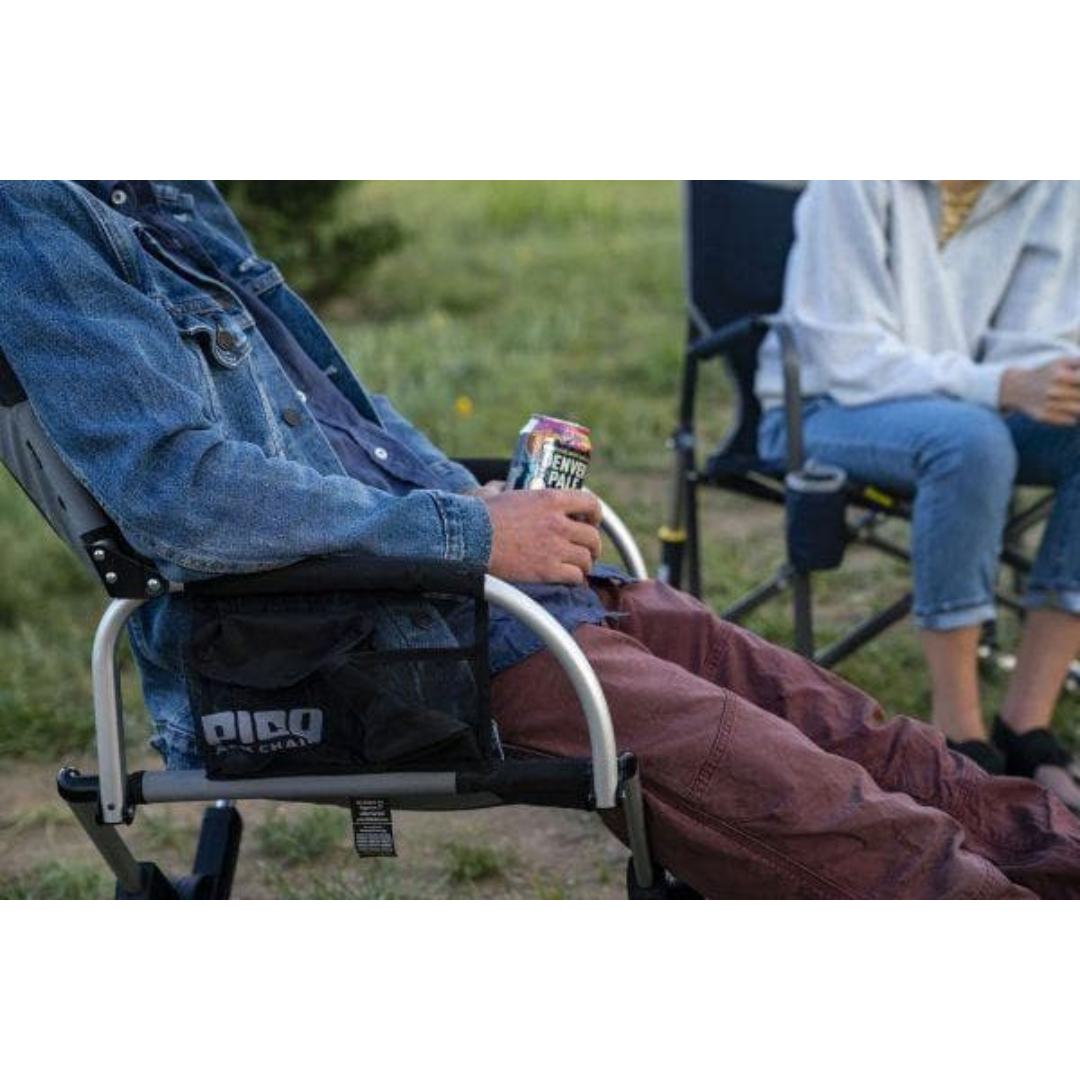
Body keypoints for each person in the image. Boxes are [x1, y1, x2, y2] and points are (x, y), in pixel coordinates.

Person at [2, 180, 1079, 899]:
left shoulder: (162, 190)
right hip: (358, 642)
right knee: (829, 811)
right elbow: (179, 497)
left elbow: (344, 421)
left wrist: (478, 503)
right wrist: (470, 530)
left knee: (861, 736)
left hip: (471, 594)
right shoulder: (38, 214)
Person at [757, 180, 1080, 812]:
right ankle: (960, 740)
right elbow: (849, 357)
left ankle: (1027, 727)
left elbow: (1036, 339)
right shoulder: (851, 179)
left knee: (984, 433)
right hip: (827, 405)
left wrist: (1055, 375)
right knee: (972, 443)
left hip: (975, 404)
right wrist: (1000, 385)